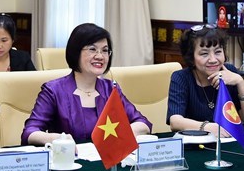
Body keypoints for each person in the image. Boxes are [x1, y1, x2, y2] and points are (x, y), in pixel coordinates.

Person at [21, 23, 151, 145]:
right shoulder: (53, 90)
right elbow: (29, 133)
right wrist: (57, 139)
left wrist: (119, 135)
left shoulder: (110, 89)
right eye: (92, 49)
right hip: (69, 162)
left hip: (106, 161)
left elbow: (143, 123)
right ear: (76, 52)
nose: (100, 56)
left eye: (105, 50)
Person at [167, 25, 244, 137]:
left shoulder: (230, 72)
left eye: (218, 52)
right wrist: (208, 128)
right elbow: (175, 121)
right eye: (204, 54)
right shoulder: (181, 78)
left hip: (228, 143)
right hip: (195, 144)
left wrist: (239, 81)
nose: (213, 60)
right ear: (191, 57)